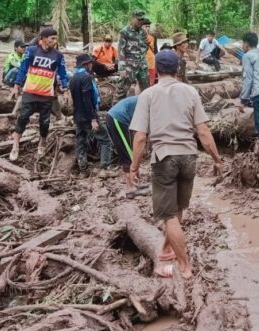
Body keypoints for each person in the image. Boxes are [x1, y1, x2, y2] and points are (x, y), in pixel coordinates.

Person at [128, 50, 224, 279]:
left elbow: (140, 136)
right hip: (189, 157)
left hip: (164, 158)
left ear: (156, 71)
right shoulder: (190, 92)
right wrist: (216, 159)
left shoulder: (148, 95)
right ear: (178, 68)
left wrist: (133, 167)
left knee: (169, 215)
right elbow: (202, 131)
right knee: (178, 209)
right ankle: (167, 248)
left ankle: (184, 267)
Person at [9, 28, 69, 162]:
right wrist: (16, 85)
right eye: (52, 38)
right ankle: (15, 144)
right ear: (42, 39)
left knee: (45, 121)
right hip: (30, 91)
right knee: (23, 117)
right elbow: (23, 68)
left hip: (46, 93)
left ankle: (42, 141)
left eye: (55, 38)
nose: (55, 41)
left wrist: (65, 90)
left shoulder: (58, 56)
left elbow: (63, 74)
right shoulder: (31, 51)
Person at [69, 54, 113, 174]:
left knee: (81, 141)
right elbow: (87, 100)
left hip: (77, 115)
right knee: (105, 140)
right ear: (86, 64)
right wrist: (93, 119)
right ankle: (105, 168)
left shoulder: (73, 78)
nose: (92, 65)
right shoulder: (86, 78)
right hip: (88, 115)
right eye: (90, 63)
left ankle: (83, 168)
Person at [106, 96, 151, 198]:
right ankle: (130, 189)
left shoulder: (149, 98)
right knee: (126, 152)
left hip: (120, 119)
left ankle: (132, 183)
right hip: (117, 118)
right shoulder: (149, 101)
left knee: (128, 151)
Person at [115, 11, 150, 103]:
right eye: (139, 19)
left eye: (142, 19)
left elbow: (146, 46)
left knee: (147, 90)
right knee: (122, 90)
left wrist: (142, 57)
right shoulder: (124, 32)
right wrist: (122, 68)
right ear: (133, 18)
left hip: (142, 65)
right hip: (129, 66)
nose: (140, 21)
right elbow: (121, 50)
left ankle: (146, 111)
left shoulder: (143, 32)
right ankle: (116, 113)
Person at [143, 19, 158, 85]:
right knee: (140, 83)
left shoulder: (153, 37)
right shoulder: (137, 37)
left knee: (152, 82)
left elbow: (155, 51)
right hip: (142, 64)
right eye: (146, 26)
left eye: (149, 26)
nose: (148, 28)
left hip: (152, 63)